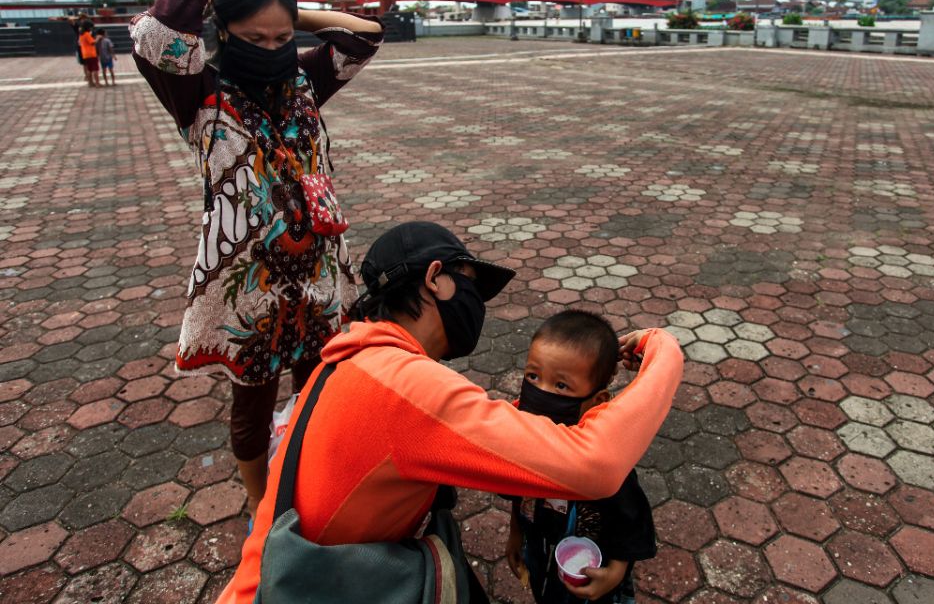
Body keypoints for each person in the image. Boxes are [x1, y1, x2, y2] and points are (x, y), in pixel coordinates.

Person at [217, 221, 683, 603]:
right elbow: (594, 465)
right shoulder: (407, 389)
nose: (475, 305)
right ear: (436, 278)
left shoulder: (346, 358)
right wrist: (664, 350)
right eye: (471, 287)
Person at [128, 0, 383, 514]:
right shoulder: (196, 91)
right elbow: (155, 33)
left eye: (283, 38)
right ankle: (263, 508)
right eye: (254, 37)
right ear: (224, 31)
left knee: (320, 387)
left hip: (318, 267)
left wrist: (289, 15)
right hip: (251, 284)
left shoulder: (303, 82)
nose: (271, 49)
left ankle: (313, 475)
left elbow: (365, 36)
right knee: (253, 405)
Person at [506, 310, 657, 604]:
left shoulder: (603, 461)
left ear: (597, 401)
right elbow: (516, 494)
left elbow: (630, 523)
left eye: (561, 386)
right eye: (533, 376)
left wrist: (615, 573)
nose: (540, 392)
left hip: (594, 570)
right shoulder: (522, 441)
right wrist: (516, 536)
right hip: (542, 549)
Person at [78, 20, 99, 87]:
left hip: (85, 55)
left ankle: (90, 83)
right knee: (95, 69)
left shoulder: (81, 35)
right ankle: (97, 83)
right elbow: (93, 42)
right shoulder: (87, 34)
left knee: (89, 69)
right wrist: (98, 38)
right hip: (91, 54)